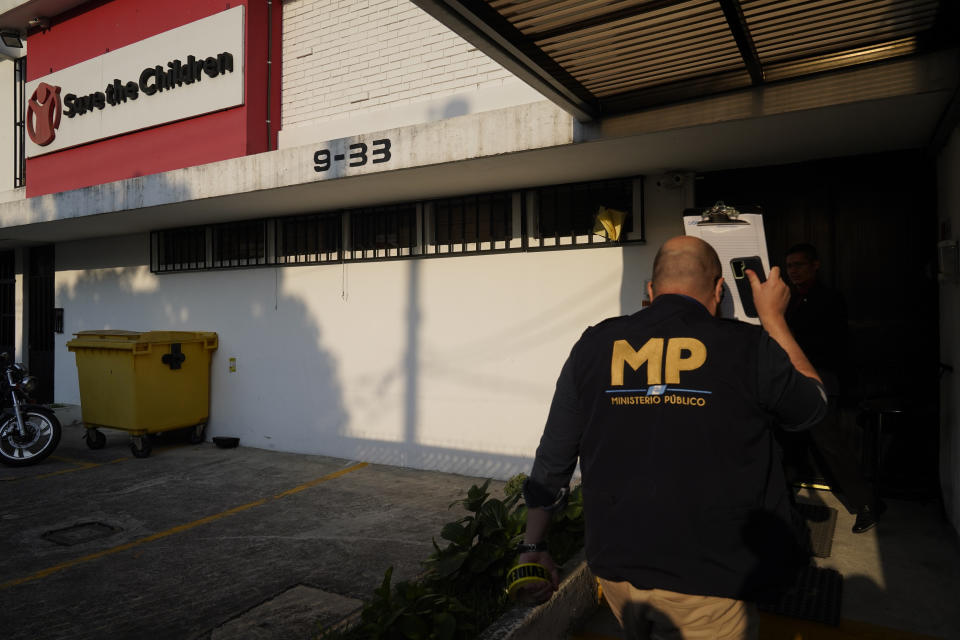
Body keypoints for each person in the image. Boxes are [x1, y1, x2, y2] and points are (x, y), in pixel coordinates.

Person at [517, 236, 827, 640]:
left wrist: (531, 547)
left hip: (618, 572)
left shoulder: (593, 344)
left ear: (650, 290)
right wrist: (774, 319)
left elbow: (553, 459)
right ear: (719, 289)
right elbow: (813, 406)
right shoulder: (748, 346)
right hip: (709, 584)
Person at [783, 243, 885, 533]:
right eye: (790, 266)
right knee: (788, 442)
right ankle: (783, 500)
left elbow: (833, 342)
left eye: (799, 265)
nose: (794, 271)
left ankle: (868, 504)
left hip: (821, 379)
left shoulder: (828, 298)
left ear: (815, 265)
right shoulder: (788, 298)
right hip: (792, 380)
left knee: (831, 445)